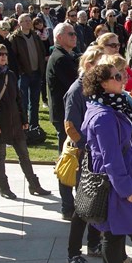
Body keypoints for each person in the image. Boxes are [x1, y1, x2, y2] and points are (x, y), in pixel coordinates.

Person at [82, 63, 132, 263]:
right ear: (103, 84)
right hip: (118, 185)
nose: (122, 79)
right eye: (116, 76)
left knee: (113, 235)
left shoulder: (114, 105)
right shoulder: (104, 116)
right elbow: (110, 157)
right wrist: (127, 189)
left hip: (118, 182)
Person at [0, 44, 50, 200]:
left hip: (15, 122)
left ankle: (34, 184)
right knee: (0, 157)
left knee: (24, 154)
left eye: (5, 54)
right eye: (0, 54)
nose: (4, 56)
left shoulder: (10, 75)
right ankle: (3, 187)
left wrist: (24, 119)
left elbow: (18, 99)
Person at [63, 47, 105, 263]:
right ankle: (73, 255)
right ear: (88, 65)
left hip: (98, 156)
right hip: (86, 157)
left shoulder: (94, 88)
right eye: (100, 66)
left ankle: (94, 244)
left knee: (98, 202)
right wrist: (87, 148)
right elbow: (70, 126)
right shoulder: (76, 90)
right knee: (82, 207)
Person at [46, 23, 79, 219]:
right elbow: (74, 85)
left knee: (70, 160)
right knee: (67, 161)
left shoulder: (65, 56)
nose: (74, 36)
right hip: (65, 119)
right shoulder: (60, 59)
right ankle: (67, 206)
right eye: (70, 34)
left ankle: (70, 204)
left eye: (75, 33)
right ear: (59, 38)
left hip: (65, 116)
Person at [10, 14, 46, 129]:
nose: (28, 23)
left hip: (36, 72)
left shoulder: (35, 35)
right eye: (25, 21)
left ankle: (34, 125)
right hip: (24, 74)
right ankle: (24, 125)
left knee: (35, 102)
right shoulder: (15, 38)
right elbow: (13, 58)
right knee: (23, 102)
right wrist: (20, 71)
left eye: (29, 21)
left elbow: (41, 51)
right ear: (19, 23)